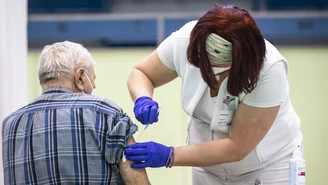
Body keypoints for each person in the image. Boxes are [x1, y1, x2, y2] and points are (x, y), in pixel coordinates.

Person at [125, 4, 303, 185]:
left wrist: (170, 155)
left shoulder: (269, 70)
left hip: (268, 166)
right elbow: (142, 73)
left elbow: (236, 148)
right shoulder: (185, 39)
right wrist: (143, 98)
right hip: (207, 168)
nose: (205, 70)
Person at [1, 41, 151, 185]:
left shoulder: (10, 125)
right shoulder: (106, 114)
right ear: (80, 77)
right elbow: (136, 180)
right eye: (93, 78)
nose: (94, 86)